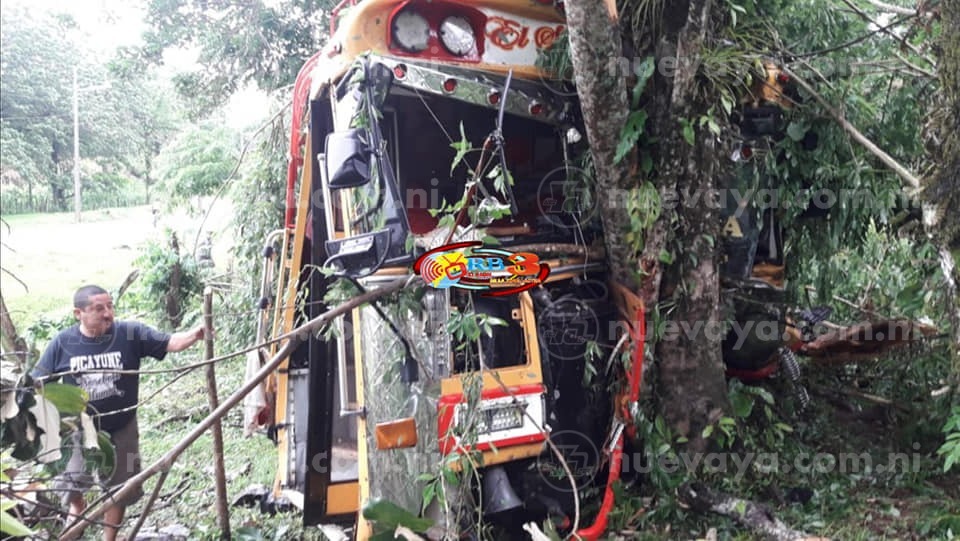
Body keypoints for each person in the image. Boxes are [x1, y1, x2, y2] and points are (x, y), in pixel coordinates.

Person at [31, 285, 206, 541]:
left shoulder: (130, 334)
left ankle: (109, 538)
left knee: (120, 486)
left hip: (122, 427)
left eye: (110, 306)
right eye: (98, 308)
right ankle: (77, 509)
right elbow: (37, 380)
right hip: (77, 428)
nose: (107, 313)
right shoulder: (63, 342)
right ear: (78, 313)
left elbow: (171, 342)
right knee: (71, 481)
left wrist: (195, 334)